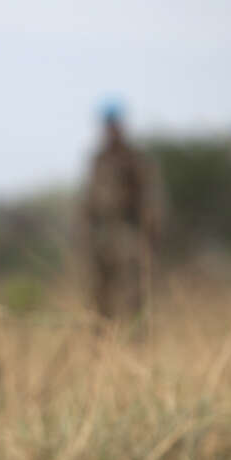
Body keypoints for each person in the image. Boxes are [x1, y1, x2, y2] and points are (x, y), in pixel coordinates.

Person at [79, 98, 161, 322]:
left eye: (114, 124)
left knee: (133, 291)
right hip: (101, 233)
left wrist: (150, 234)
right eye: (108, 124)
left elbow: (149, 197)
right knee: (99, 294)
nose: (111, 129)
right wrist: (85, 232)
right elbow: (89, 198)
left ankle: (137, 340)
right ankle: (101, 343)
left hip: (128, 231)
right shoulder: (98, 158)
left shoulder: (133, 158)